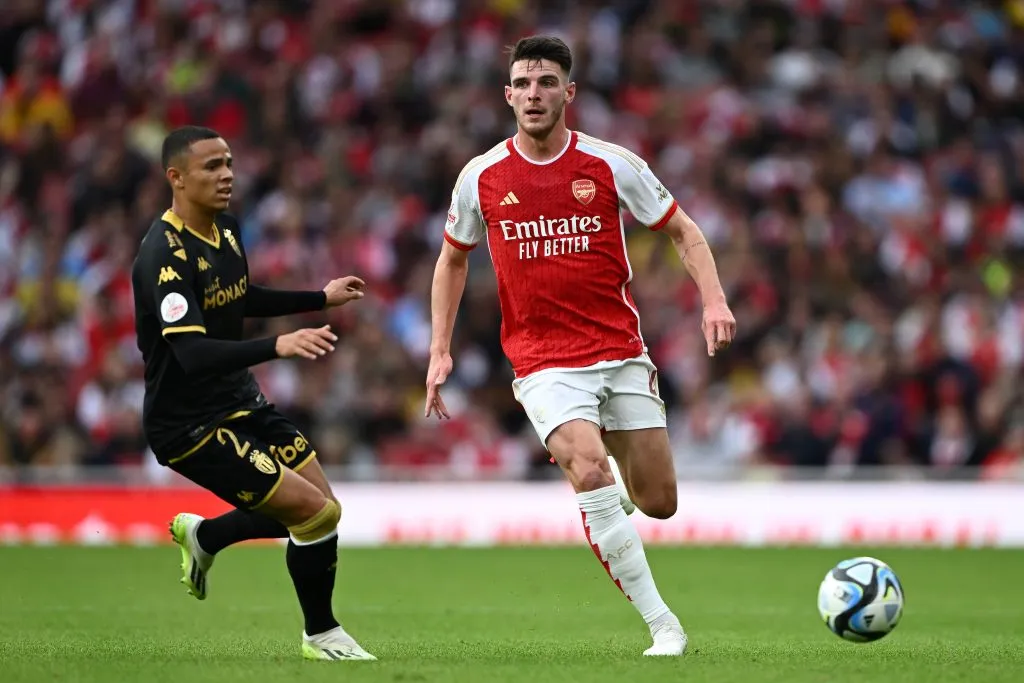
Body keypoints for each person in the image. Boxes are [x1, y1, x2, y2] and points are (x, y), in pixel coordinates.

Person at [424, 36, 737, 657]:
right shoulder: (481, 176)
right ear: (508, 95)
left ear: (569, 92)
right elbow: (452, 261)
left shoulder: (610, 164)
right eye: (523, 83)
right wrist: (439, 348)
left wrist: (714, 300)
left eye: (546, 82)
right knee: (589, 468)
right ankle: (664, 626)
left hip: (619, 350)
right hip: (542, 359)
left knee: (658, 502)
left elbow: (682, 231)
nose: (534, 94)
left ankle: (604, 488)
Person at [131, 125, 376, 661]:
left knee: (324, 511)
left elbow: (239, 298)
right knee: (312, 514)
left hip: (240, 399)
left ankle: (207, 537)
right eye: (211, 167)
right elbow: (191, 353)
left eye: (228, 163)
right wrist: (278, 345)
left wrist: (320, 298)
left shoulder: (227, 228)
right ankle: (321, 635)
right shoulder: (163, 256)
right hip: (188, 424)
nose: (227, 176)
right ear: (176, 178)